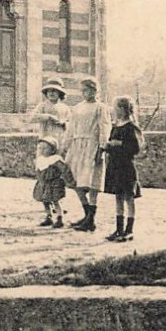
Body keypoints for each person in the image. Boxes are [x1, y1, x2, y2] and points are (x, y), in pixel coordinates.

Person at [63, 76, 112, 233]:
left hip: (92, 146)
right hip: (77, 147)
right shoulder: (77, 107)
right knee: (76, 182)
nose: (86, 93)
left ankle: (91, 219)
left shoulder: (100, 108)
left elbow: (105, 128)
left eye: (89, 90)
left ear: (95, 90)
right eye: (83, 90)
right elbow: (71, 129)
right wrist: (65, 147)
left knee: (91, 183)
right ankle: (87, 215)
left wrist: (102, 148)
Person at [101, 95, 143, 242]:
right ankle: (119, 229)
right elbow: (112, 143)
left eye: (116, 107)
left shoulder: (131, 127)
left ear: (124, 109)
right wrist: (108, 147)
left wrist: (119, 144)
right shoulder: (115, 126)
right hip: (115, 166)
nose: (114, 110)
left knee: (129, 198)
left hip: (126, 167)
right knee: (118, 198)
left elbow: (135, 148)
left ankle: (129, 230)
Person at [33, 139, 76, 228]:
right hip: (44, 183)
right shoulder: (40, 160)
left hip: (54, 183)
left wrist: (70, 181)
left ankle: (60, 217)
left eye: (45, 148)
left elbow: (65, 170)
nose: (42, 150)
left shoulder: (56, 159)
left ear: (52, 150)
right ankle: (48, 216)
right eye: (40, 148)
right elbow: (38, 171)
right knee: (45, 201)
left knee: (55, 201)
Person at [29, 78, 70, 150]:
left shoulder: (65, 108)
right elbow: (32, 118)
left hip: (59, 138)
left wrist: (63, 123)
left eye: (54, 91)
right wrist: (48, 117)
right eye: (49, 91)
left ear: (59, 93)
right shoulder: (42, 106)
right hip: (46, 138)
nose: (51, 93)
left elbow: (71, 122)